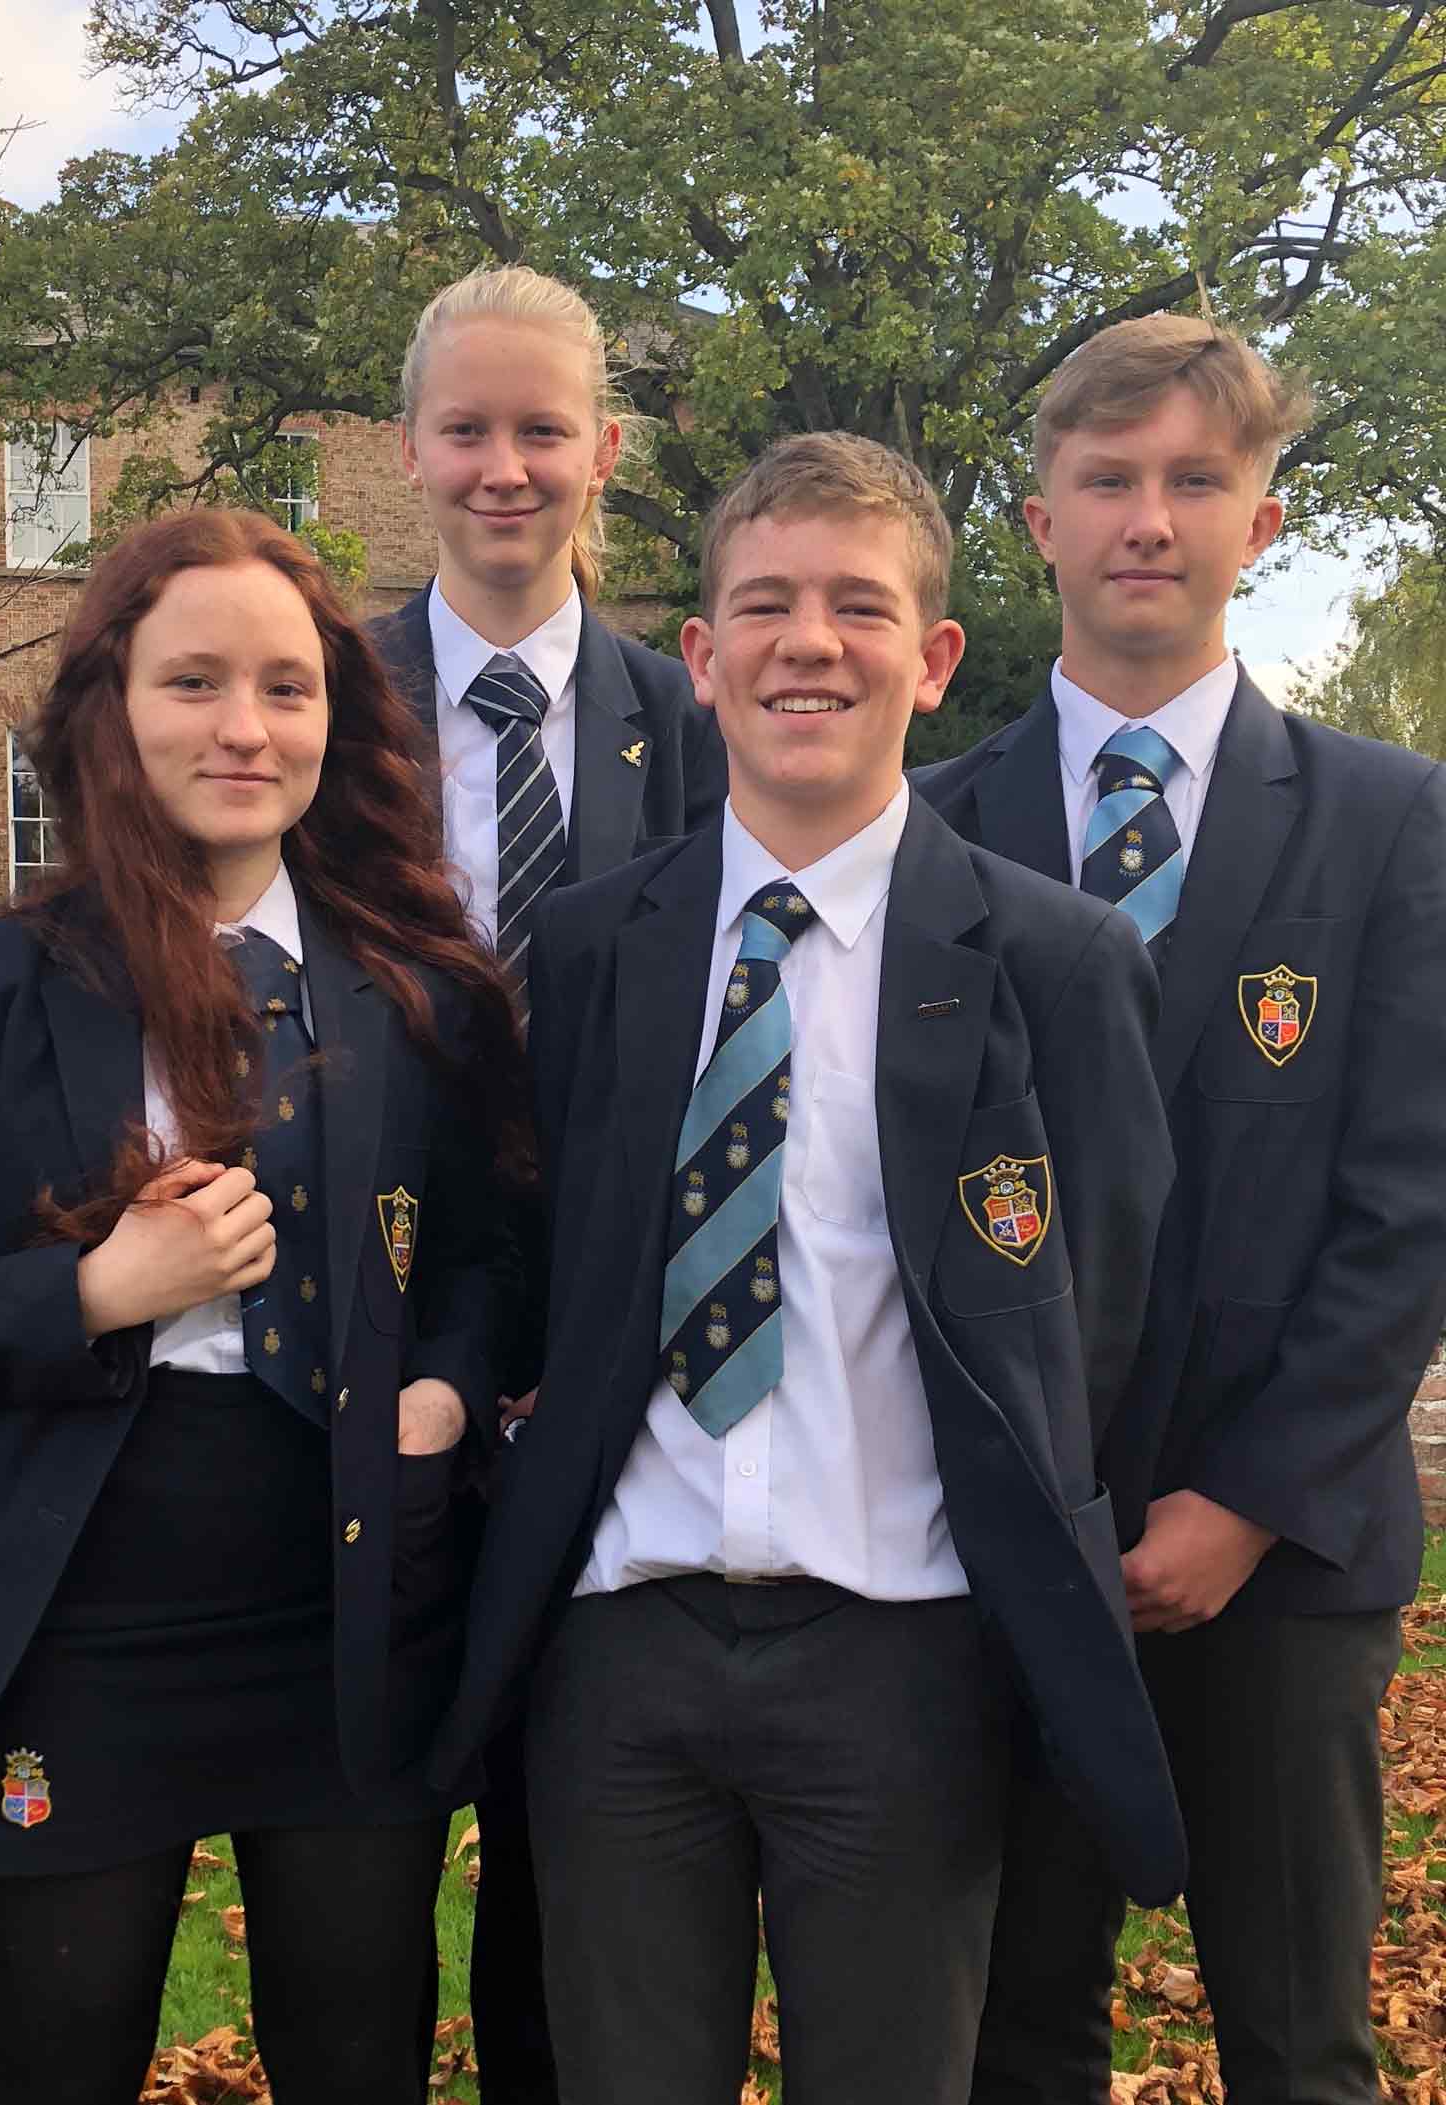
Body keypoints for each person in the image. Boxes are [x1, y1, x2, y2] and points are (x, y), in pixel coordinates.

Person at [431, 432, 1188, 2105]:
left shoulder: (1058, 964)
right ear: (701, 660)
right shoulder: (590, 949)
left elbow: (1108, 1326)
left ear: (929, 661)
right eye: (762, 605)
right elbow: (530, 1241)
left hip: (904, 1650)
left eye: (859, 607)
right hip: (620, 1646)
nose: (808, 642)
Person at [0, 509, 524, 2105]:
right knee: (63, 2068)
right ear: (112, 707)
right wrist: (93, 1291)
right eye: (193, 680)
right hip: (80, 1615)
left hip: (347, 1600)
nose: (243, 727)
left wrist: (447, 1396)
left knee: (363, 2064)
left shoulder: (410, 981)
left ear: (337, 715)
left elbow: (488, 1256)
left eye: (286, 685)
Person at [916, 314, 1446, 2105]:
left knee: (1301, 2045)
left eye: (1195, 481)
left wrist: (1239, 1503)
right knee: (1015, 2032)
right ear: (1038, 517)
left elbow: (1409, 1209)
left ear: (1263, 523)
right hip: (1007, 1549)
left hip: (1283, 1560)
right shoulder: (926, 829)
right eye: (1109, 478)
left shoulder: (1395, 826)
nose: (1151, 518)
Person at [375, 262, 726, 2105]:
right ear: (408, 445)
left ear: (603, 448)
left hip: (621, 1317)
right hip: (361, 1304)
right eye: (467, 428)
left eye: (542, 430)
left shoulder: (698, 717)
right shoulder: (324, 700)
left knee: (565, 1842)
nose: (504, 469)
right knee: (353, 1848)